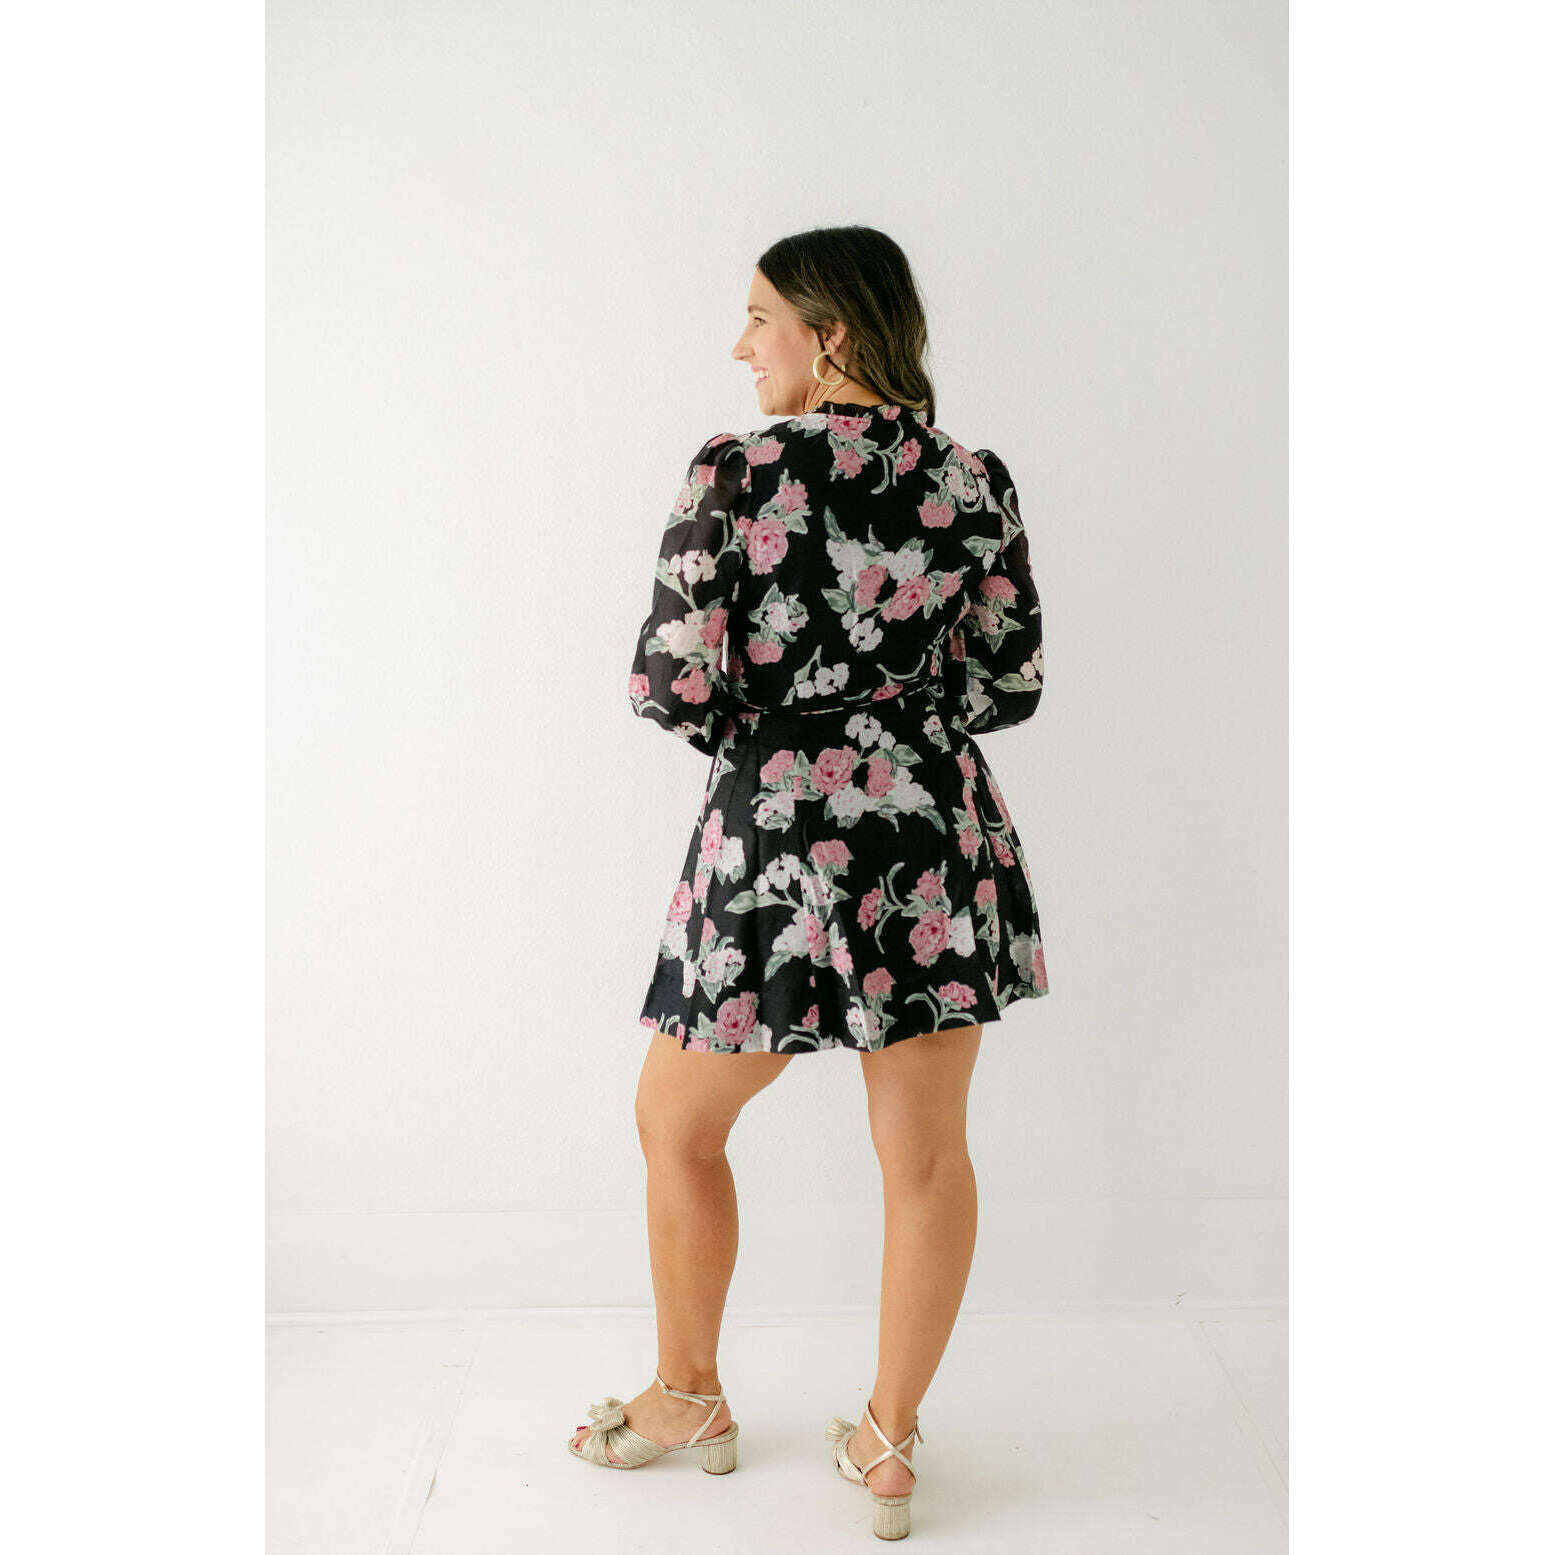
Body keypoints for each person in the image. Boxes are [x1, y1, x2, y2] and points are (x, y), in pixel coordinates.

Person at [570, 225, 1048, 1540]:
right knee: (927, 1156)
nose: (742, 346)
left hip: (775, 837)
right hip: (931, 832)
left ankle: (687, 1397)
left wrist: (777, 744)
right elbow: (1010, 682)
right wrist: (896, 731)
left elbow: (668, 679)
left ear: (828, 333)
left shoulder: (736, 472)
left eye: (759, 317)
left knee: (676, 1123)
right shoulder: (972, 478)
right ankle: (888, 1445)